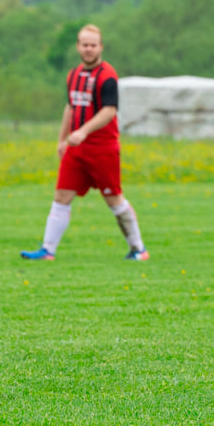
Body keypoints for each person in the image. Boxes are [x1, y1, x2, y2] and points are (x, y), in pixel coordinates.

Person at [21, 24, 149, 261]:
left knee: (114, 199)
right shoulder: (73, 75)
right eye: (84, 44)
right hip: (76, 149)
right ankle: (47, 250)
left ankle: (138, 248)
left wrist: (83, 131)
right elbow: (70, 107)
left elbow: (109, 111)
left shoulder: (107, 76)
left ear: (100, 47)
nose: (88, 49)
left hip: (102, 149)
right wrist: (62, 139)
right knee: (61, 196)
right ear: (78, 46)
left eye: (93, 45)